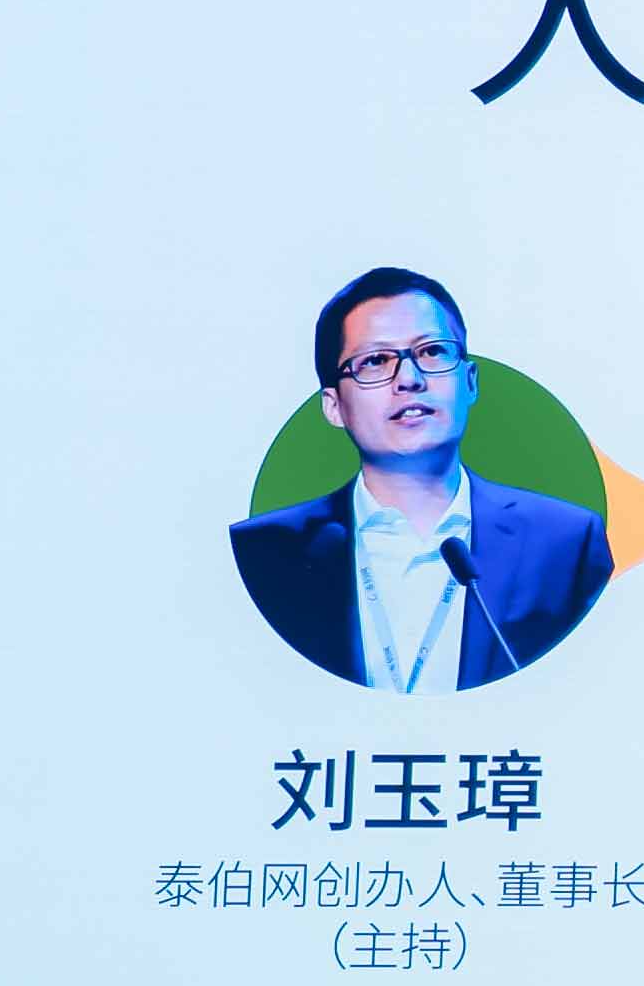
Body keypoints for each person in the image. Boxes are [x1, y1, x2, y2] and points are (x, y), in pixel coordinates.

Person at [231, 267, 615, 692]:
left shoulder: (566, 543)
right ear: (333, 406)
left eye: (432, 352)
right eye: (375, 361)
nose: (410, 380)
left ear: (470, 382)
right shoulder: (260, 553)